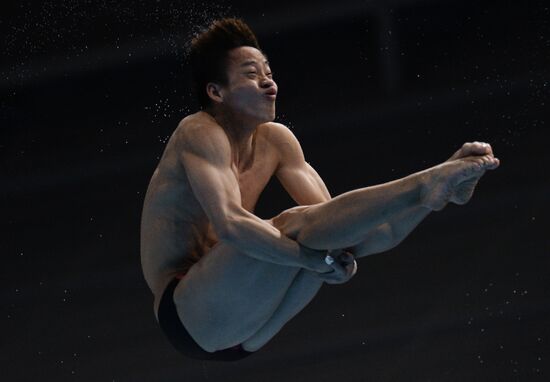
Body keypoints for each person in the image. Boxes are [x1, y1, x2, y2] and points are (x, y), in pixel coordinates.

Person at [140, 18, 500, 362]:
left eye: (268, 72)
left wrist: (336, 258)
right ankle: (425, 183)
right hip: (187, 311)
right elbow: (231, 226)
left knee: (334, 236)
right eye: (252, 75)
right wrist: (305, 259)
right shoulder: (198, 133)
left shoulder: (277, 141)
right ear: (216, 91)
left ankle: (432, 196)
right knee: (293, 227)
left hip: (245, 328)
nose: (269, 83)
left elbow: (342, 227)